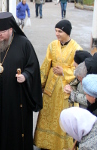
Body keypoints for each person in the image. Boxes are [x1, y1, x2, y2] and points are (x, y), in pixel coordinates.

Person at [0, 12, 43, 150]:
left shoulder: (24, 43)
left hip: (16, 96)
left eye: (2, 31)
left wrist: (25, 76)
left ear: (11, 29)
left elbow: (33, 67)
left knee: (14, 127)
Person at [34, 19, 82, 150]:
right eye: (55, 31)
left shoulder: (77, 49)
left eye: (60, 31)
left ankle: (63, 146)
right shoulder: (52, 45)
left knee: (64, 116)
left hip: (65, 90)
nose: (57, 34)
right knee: (48, 115)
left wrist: (64, 71)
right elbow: (45, 66)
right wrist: (40, 84)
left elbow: (80, 71)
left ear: (67, 32)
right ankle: (45, 143)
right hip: (51, 87)